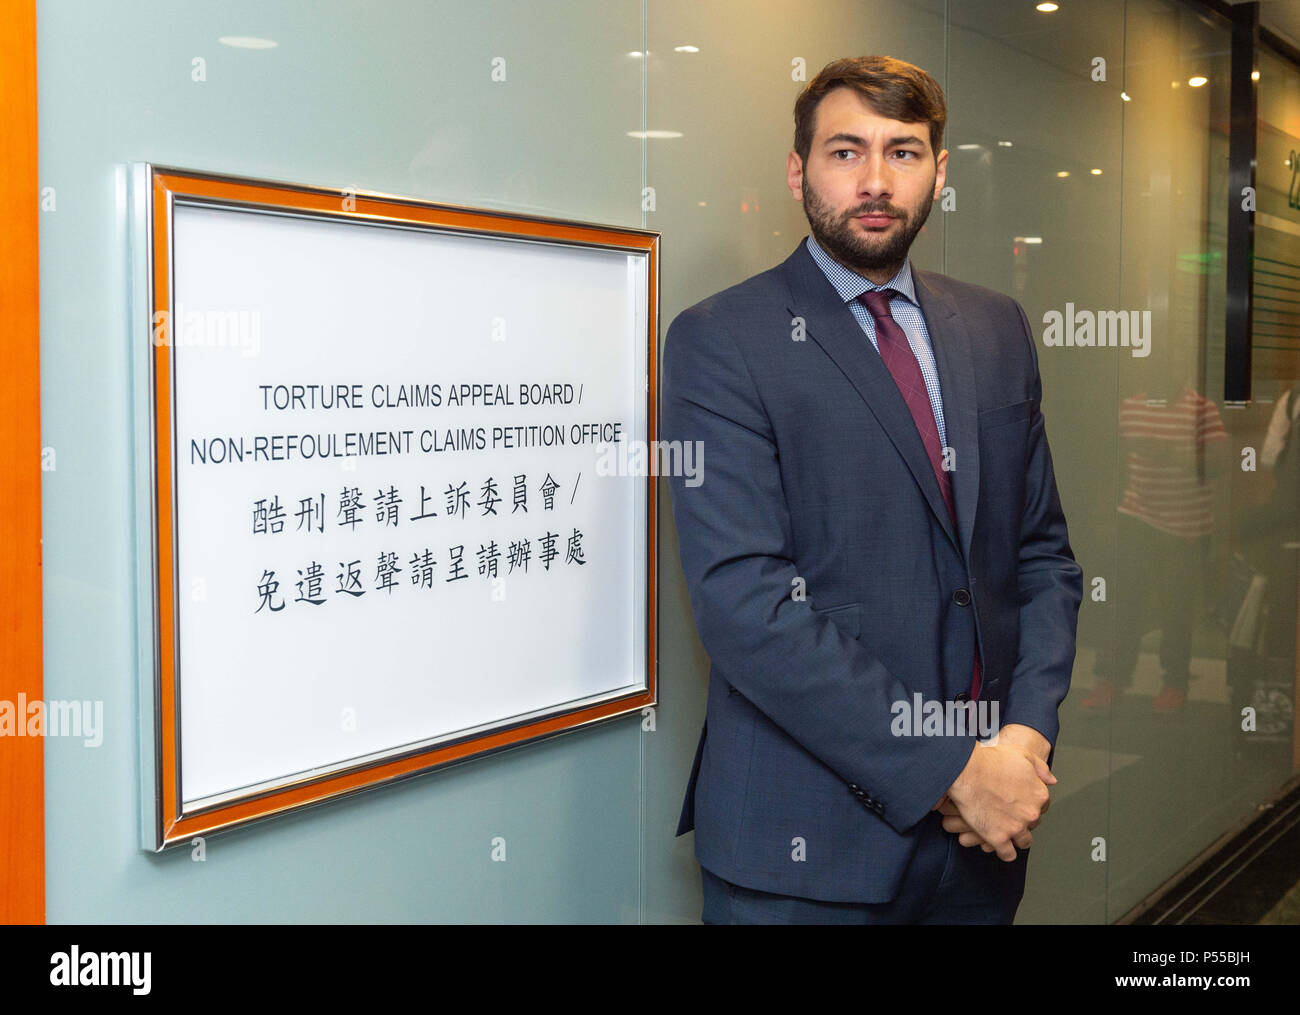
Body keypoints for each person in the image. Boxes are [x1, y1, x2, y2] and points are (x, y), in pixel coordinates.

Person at [661, 55, 1082, 924]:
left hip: (981, 847)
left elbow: (1041, 557)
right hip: (804, 857)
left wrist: (1025, 740)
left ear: (939, 172)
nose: (878, 180)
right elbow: (746, 604)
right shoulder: (721, 341)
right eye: (846, 152)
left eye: (906, 151)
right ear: (798, 170)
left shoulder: (995, 327)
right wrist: (952, 772)